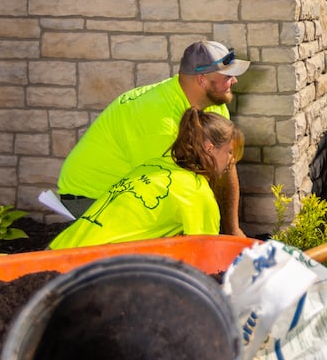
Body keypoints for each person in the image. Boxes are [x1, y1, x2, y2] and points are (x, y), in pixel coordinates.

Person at [56, 40, 250, 236]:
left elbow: (226, 163)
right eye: (227, 76)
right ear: (201, 80)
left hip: (133, 189)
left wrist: (233, 229)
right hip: (90, 196)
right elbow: (167, 194)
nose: (234, 81)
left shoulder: (215, 104)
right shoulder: (158, 120)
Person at [50, 108, 244, 249]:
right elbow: (205, 258)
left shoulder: (152, 166)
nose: (231, 160)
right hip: (87, 268)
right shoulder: (196, 193)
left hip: (57, 250)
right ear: (210, 147)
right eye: (229, 152)